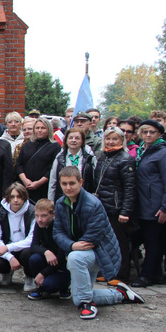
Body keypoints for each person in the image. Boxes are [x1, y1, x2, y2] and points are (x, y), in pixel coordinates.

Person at [53, 166, 144, 319]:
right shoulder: (61, 203)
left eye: (72, 183)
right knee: (77, 298)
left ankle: (87, 304)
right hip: (79, 251)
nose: (68, 187)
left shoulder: (93, 204)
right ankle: (120, 294)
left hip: (101, 253)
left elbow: (93, 236)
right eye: (64, 184)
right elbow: (57, 232)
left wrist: (73, 250)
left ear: (81, 182)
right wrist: (71, 246)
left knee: (75, 260)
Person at [131, 120, 166, 287]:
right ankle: (156, 274)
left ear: (159, 134)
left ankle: (146, 275)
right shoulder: (143, 150)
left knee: (152, 242)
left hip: (156, 206)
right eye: (145, 132)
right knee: (149, 240)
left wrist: (165, 207)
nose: (148, 135)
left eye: (152, 132)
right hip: (143, 204)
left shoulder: (163, 153)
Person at [93, 126, 137, 283]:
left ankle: (121, 273)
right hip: (103, 206)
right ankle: (108, 271)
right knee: (106, 242)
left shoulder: (125, 159)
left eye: (115, 139)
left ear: (122, 140)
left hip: (117, 208)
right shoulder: (103, 156)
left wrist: (125, 211)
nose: (111, 142)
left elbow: (130, 188)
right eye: (108, 138)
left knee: (119, 242)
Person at [0, 182, 35, 286]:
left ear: (25, 198)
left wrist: (8, 248)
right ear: (8, 198)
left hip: (23, 249)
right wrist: (10, 257)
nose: (16, 200)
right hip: (8, 249)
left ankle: (29, 276)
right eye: (12, 197)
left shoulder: (32, 212)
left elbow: (32, 240)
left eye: (19, 196)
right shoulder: (1, 213)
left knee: (29, 255)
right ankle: (7, 272)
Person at [22, 198, 70, 299]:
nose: (40, 219)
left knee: (50, 286)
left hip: (61, 266)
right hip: (49, 260)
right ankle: (40, 288)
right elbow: (33, 246)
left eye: (44, 216)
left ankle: (64, 287)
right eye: (37, 215)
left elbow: (60, 257)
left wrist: (43, 274)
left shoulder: (59, 227)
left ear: (53, 215)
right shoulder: (39, 224)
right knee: (33, 258)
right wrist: (46, 252)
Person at [48, 127, 95, 201]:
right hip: (63, 198)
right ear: (66, 140)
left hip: (84, 198)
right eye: (70, 138)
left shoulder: (89, 158)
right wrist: (50, 201)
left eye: (77, 138)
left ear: (82, 141)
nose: (73, 140)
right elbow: (53, 181)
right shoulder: (59, 158)